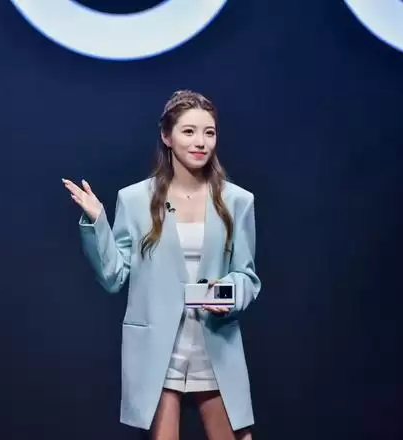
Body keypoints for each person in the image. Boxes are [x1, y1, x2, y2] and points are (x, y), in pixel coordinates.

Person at [62, 90, 262, 440]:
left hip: (214, 344)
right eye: (189, 131)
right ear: (167, 136)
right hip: (158, 350)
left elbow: (248, 277)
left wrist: (225, 293)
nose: (200, 142)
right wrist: (98, 222)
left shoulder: (237, 201)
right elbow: (113, 276)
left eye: (209, 132)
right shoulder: (135, 200)